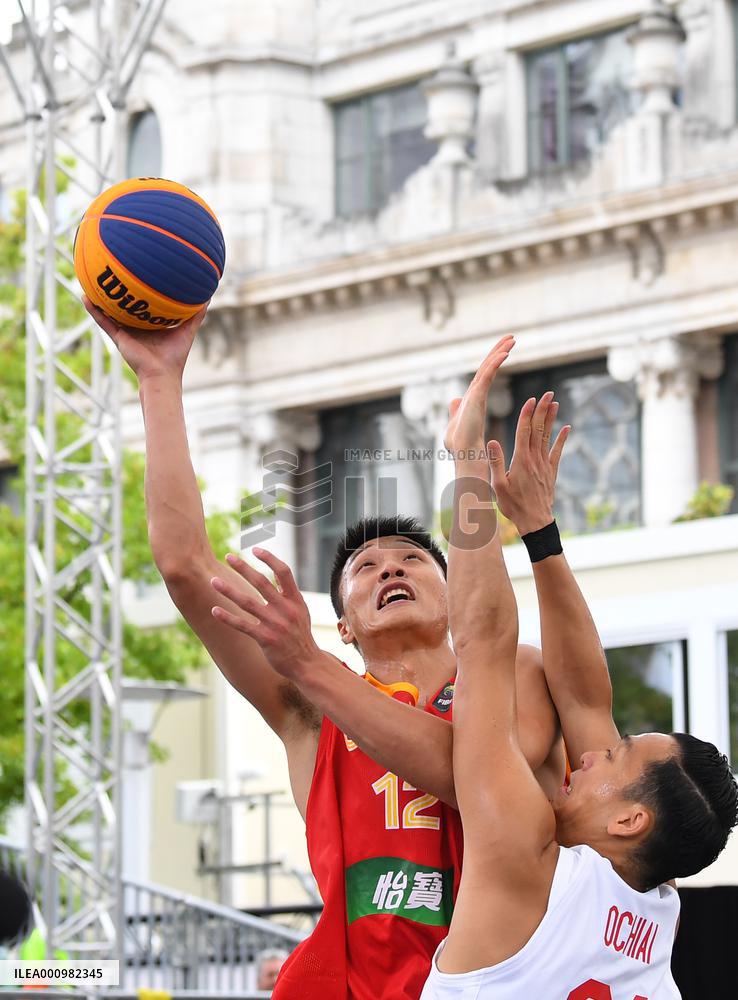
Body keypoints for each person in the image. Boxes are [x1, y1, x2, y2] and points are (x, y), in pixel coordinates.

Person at [83, 301, 564, 1000]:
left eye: (410, 558)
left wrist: (468, 473)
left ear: (453, 591)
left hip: (498, 980)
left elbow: (477, 779)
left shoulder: (512, 673)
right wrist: (160, 379)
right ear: (344, 625)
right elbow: (186, 566)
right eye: (365, 569)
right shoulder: (308, 707)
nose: (390, 569)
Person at [418, 340, 738, 999]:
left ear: (628, 821)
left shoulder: (522, 864)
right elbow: (586, 698)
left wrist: (468, 466)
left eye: (613, 757)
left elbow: (482, 646)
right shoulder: (655, 902)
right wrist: (538, 529)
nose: (590, 752)